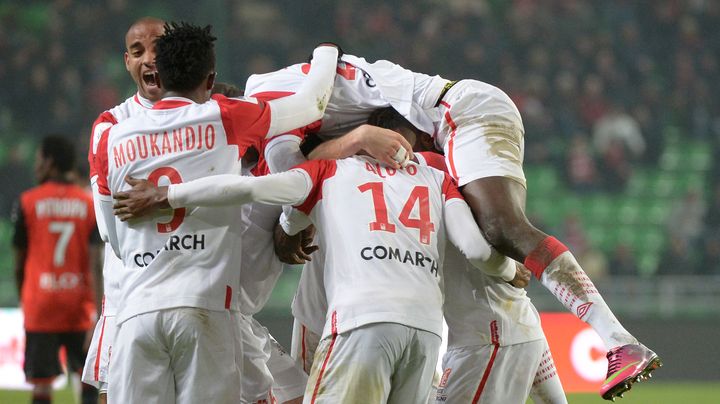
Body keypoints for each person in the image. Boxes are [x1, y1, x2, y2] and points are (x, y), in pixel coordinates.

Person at [247, 55, 661, 401]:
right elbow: (520, 311)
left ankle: (617, 339)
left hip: (460, 110)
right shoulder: (434, 177)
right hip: (452, 332)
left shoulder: (271, 117)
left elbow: (294, 173)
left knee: (502, 228)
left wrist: (292, 219)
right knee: (494, 234)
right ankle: (615, 339)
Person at [111, 124, 527, 404]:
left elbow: (247, 188)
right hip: (425, 333)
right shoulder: (436, 172)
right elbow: (473, 247)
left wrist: (168, 197)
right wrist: (510, 270)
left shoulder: (328, 168)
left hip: (362, 322)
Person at [93, 22, 339, 403]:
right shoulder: (223, 116)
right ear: (210, 79)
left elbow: (111, 233)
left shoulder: (115, 135)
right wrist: (327, 53)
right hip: (204, 306)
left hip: (137, 311)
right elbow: (312, 103)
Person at [81, 17, 165, 403]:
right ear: (126, 62)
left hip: (198, 295)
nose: (150, 59)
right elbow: (107, 232)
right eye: (138, 52)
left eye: (159, 49)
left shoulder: (209, 116)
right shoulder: (112, 125)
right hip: (128, 295)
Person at [12, 136, 100, 404]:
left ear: (49, 162)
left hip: (41, 304)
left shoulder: (27, 202)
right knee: (88, 383)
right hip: (79, 306)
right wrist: (99, 312)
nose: (36, 166)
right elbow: (97, 263)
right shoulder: (88, 204)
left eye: (39, 160)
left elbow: (18, 262)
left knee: (41, 387)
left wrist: (24, 298)